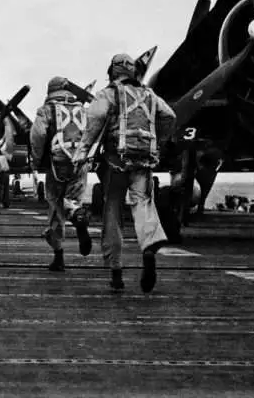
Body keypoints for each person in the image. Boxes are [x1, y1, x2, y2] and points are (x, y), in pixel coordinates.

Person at [74, 54, 177, 293]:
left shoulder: (108, 94)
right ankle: (149, 246)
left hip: (115, 162)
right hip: (143, 160)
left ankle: (116, 270)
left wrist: (80, 155)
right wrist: (157, 140)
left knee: (112, 211)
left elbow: (93, 125)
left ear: (112, 71)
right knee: (143, 204)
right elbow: (169, 116)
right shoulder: (150, 95)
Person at [30, 76, 93, 272]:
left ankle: (59, 255)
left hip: (57, 163)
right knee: (73, 199)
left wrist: (37, 159)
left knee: (56, 205)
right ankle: (77, 213)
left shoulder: (46, 110)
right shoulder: (83, 109)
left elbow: (38, 134)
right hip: (81, 160)